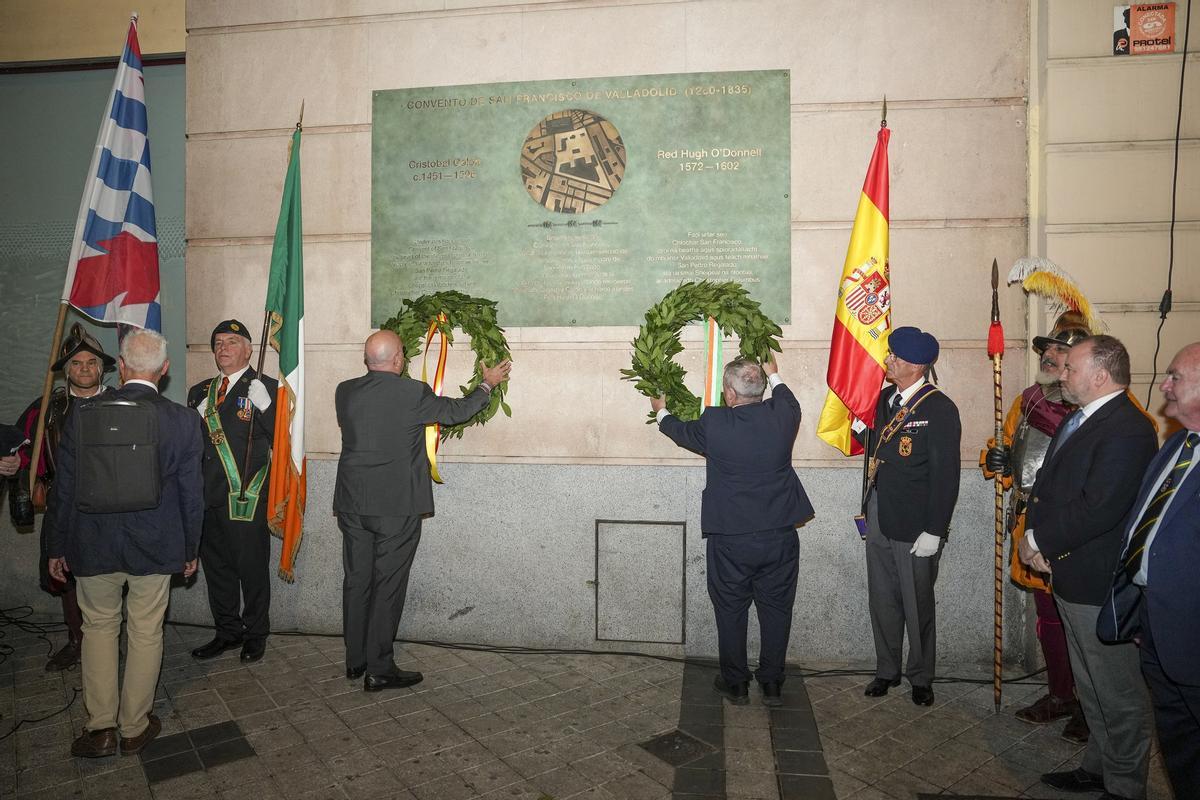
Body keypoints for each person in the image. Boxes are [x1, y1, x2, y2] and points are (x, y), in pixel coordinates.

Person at [47, 329, 203, 758]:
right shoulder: (184, 420)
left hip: (93, 545)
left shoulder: (82, 415)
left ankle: (100, 730)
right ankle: (134, 727)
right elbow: (193, 495)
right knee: (146, 631)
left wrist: (55, 547)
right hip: (155, 547)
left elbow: (65, 489)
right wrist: (190, 550)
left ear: (122, 364)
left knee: (97, 629)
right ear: (165, 369)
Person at [334, 330, 511, 691]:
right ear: (398, 359)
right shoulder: (412, 393)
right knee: (387, 586)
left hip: (352, 504)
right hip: (396, 508)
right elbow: (456, 412)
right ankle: (379, 668)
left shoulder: (344, 391)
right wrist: (487, 385)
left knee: (356, 581)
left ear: (367, 359)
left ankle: (355, 660)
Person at [1021, 335, 1158, 800]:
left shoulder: (1129, 429)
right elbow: (1048, 485)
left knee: (1118, 693)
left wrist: (1039, 539)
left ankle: (1124, 787)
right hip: (1068, 570)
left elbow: (1099, 507)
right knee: (1090, 684)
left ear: (1101, 375)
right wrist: (1036, 539)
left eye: (1071, 368)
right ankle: (1098, 768)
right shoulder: (1081, 418)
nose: (1062, 374)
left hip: (1098, 580)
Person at [653, 355, 814, 706]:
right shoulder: (784, 415)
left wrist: (661, 411)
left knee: (730, 608)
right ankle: (772, 683)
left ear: (729, 393)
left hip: (731, 538)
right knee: (777, 610)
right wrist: (775, 374)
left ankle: (736, 682)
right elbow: (788, 397)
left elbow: (680, 432)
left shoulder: (715, 424)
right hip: (779, 534)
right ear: (760, 389)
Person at [982, 312, 1090, 742]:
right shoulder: (1028, 399)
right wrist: (995, 459)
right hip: (1029, 524)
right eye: (1046, 349)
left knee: (1080, 622)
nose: (1047, 355)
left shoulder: (1102, 406)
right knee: (1048, 619)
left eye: (1058, 350)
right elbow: (1008, 446)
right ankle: (1060, 694)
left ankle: (1089, 704)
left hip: (1074, 529)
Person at [1100, 342, 1200, 800]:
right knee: (1181, 750)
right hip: (1157, 631)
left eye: (1175, 377)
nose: (1164, 386)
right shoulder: (1177, 444)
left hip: (1193, 637)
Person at [859, 326, 961, 707]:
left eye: (894, 357)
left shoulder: (939, 408)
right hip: (880, 513)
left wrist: (935, 530)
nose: (888, 361)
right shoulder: (884, 399)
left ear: (916, 365)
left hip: (916, 525)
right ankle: (887, 669)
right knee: (882, 598)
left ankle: (921, 675)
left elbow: (946, 476)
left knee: (917, 602)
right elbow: (875, 445)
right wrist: (858, 428)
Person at [14, 323, 114, 671]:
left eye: (90, 362)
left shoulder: (122, 403)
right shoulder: (47, 410)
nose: (84, 369)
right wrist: (15, 463)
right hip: (66, 508)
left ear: (102, 368)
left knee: (113, 577)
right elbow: (24, 453)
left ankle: (112, 640)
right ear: (65, 370)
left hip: (114, 510)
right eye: (76, 363)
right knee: (67, 578)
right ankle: (77, 640)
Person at [187, 320, 278, 664]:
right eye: (218, 343)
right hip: (208, 496)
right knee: (218, 570)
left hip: (246, 498)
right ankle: (227, 632)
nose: (223, 348)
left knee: (252, 570)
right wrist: (192, 421)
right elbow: (191, 447)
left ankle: (255, 633)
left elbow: (284, 440)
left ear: (249, 349)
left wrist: (268, 408)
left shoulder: (266, 387)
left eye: (232, 342)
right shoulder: (200, 392)